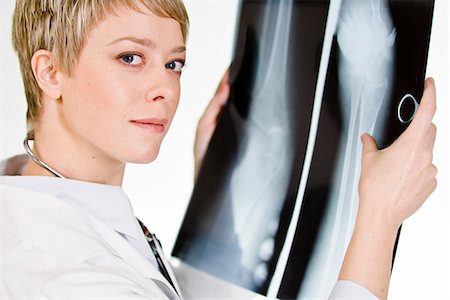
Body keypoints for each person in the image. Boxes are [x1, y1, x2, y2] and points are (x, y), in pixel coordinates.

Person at [0, 0, 437, 299]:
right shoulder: (68, 275)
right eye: (131, 57)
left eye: (174, 64)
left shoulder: (34, 194)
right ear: (51, 71)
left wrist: (217, 194)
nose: (164, 90)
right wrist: (379, 218)